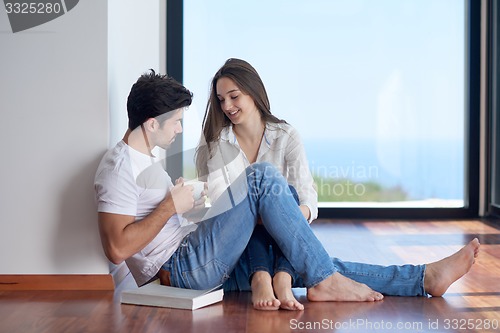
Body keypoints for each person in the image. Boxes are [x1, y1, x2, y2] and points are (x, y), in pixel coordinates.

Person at [94, 70, 480, 310]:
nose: (179, 130)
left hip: (198, 255)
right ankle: (313, 280)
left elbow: (300, 197)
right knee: (263, 180)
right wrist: (170, 205)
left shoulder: (143, 161)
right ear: (150, 123)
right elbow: (117, 248)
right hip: (179, 269)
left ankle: (422, 278)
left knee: (317, 259)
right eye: (175, 122)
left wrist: (185, 202)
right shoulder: (118, 167)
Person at [195, 58, 317, 311]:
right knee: (253, 202)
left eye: (233, 96)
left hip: (284, 236)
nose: (227, 106)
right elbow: (223, 206)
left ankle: (282, 277)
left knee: (288, 194)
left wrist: (281, 216)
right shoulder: (219, 143)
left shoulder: (286, 136)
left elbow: (308, 200)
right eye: (221, 99)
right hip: (240, 240)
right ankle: (261, 276)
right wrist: (267, 211)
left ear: (253, 92)